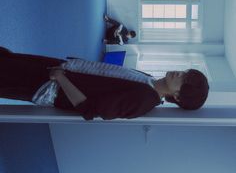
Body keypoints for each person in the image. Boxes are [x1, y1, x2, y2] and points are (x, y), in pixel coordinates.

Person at [0, 47, 209, 120]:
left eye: (184, 80)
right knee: (9, 60)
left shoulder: (143, 101)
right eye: (184, 72)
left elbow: (90, 110)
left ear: (178, 97)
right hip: (62, 68)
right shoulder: (149, 80)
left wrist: (61, 79)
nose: (179, 73)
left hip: (52, 86)